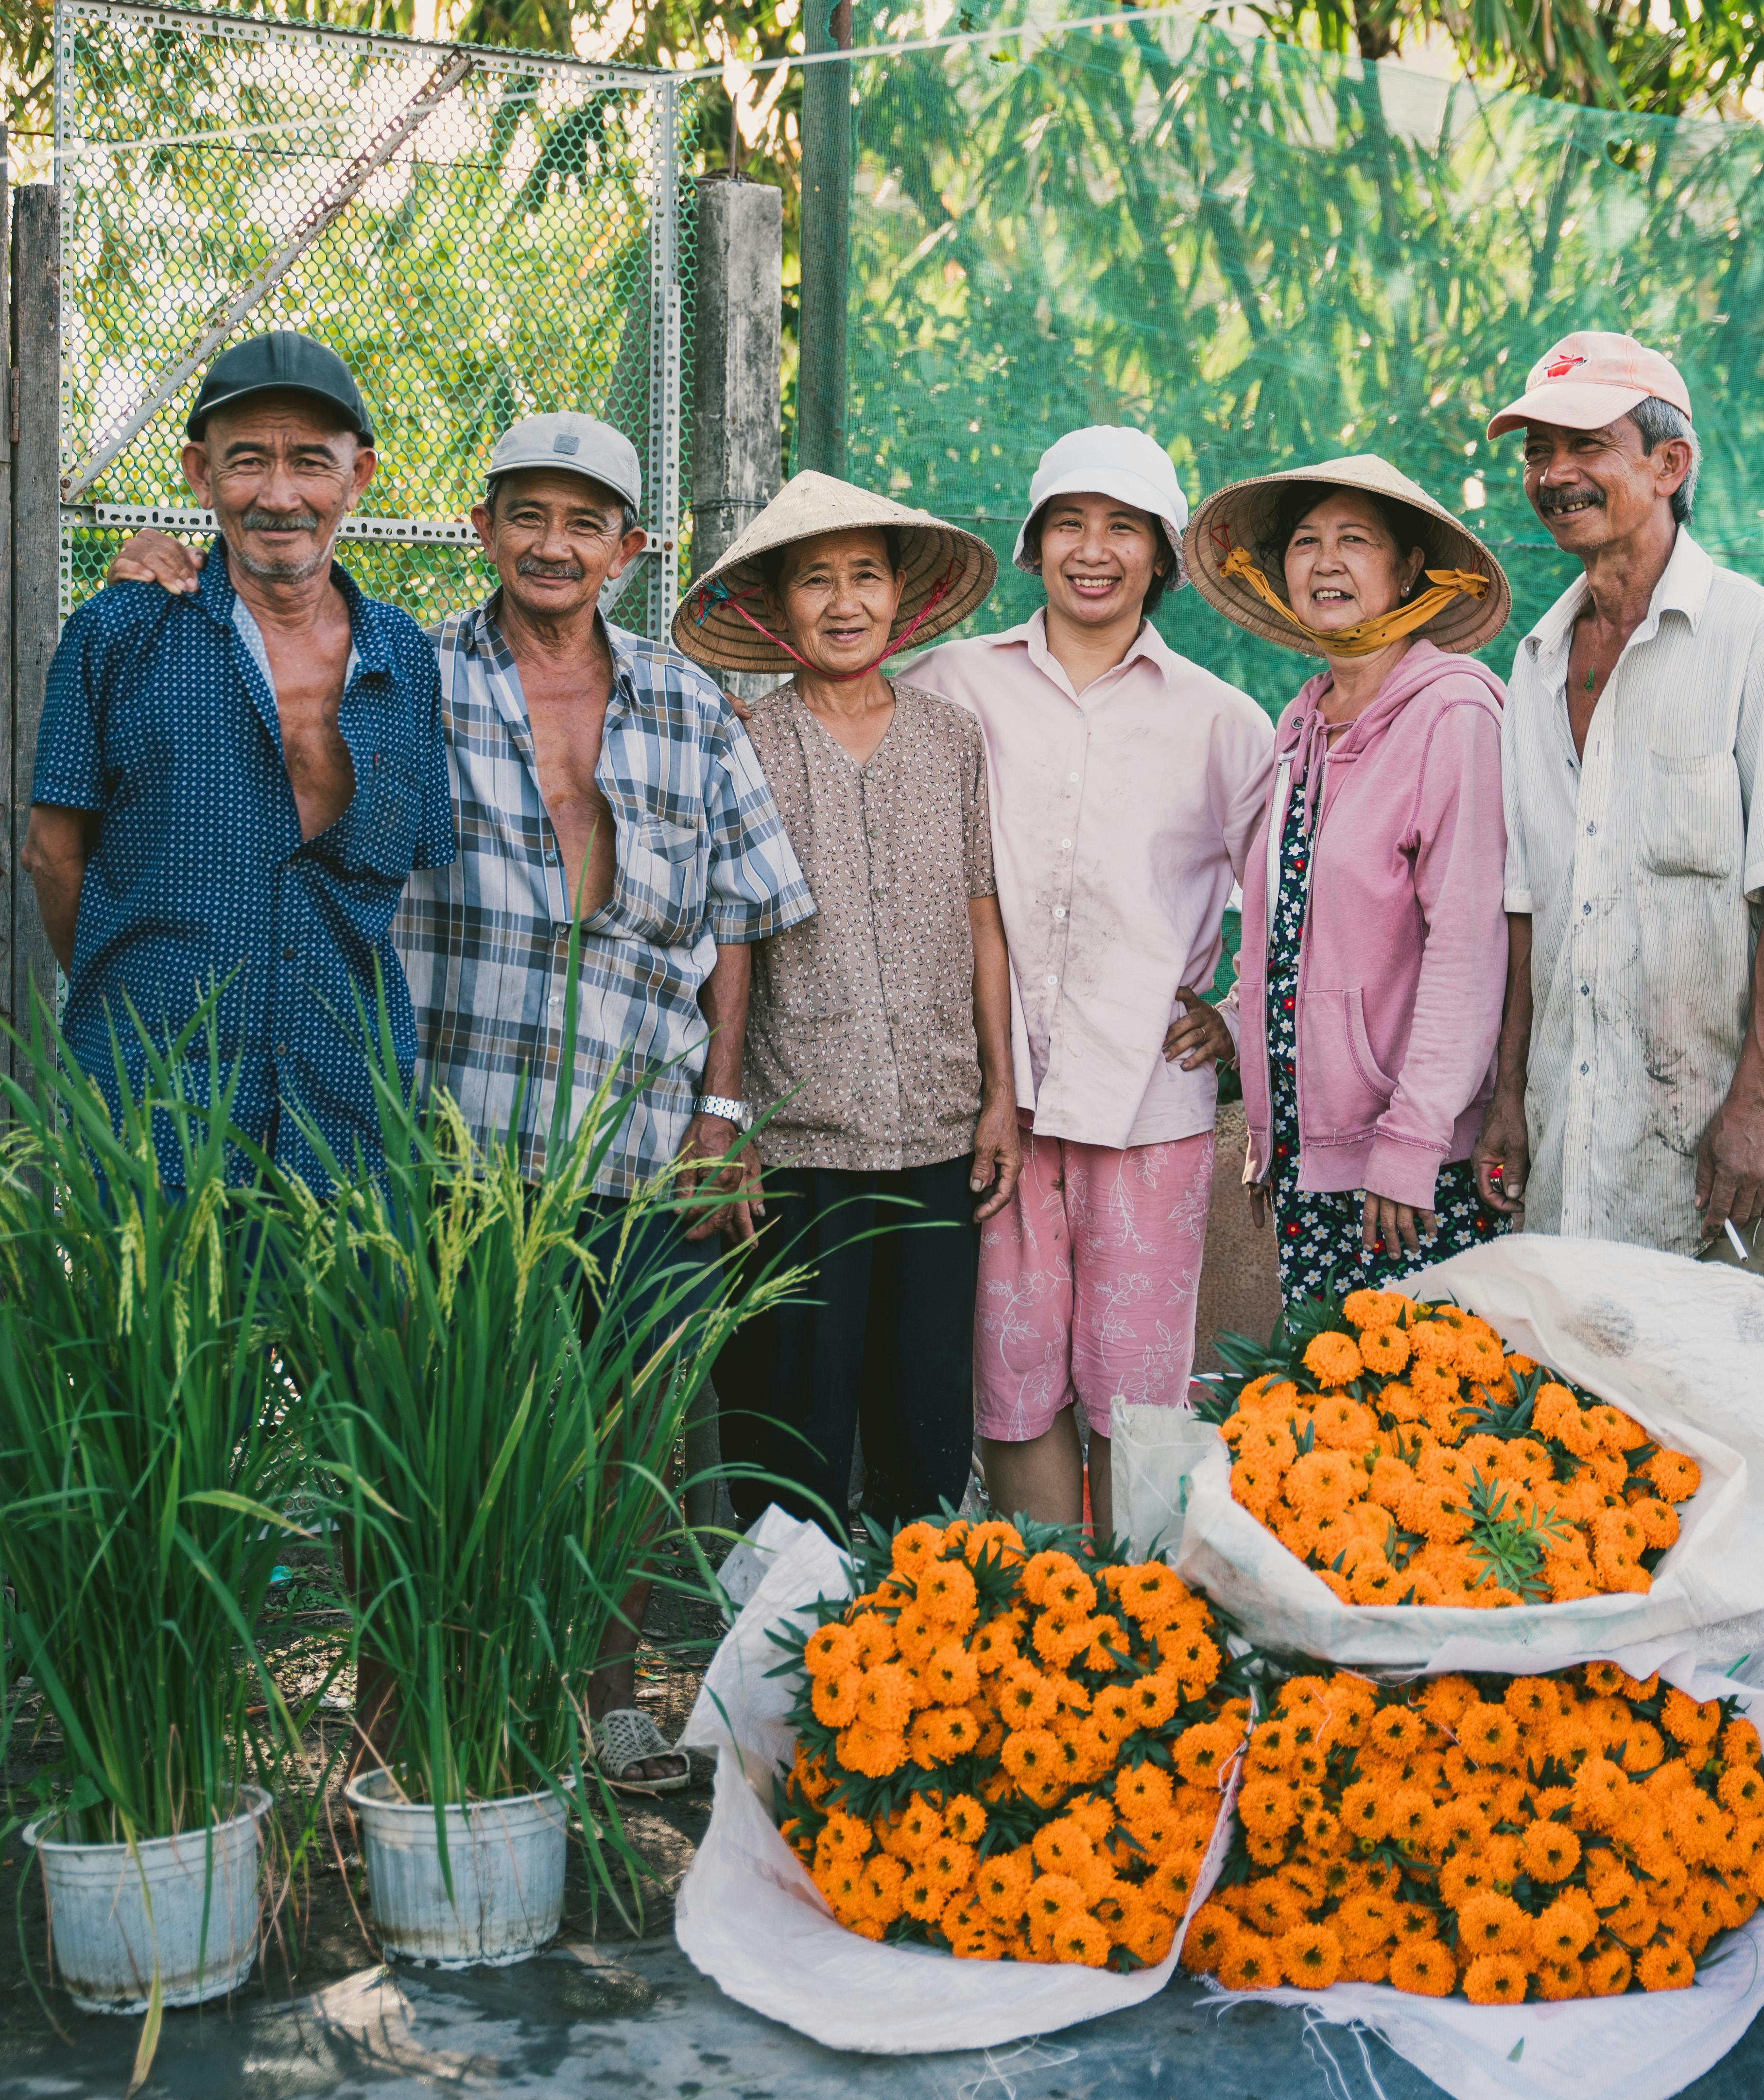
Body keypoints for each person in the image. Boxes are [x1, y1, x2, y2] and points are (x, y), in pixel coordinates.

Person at [99, 403, 817, 1789]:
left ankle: (610, 1702)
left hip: (643, 1132)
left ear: (632, 547)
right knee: (421, 1419)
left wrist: (722, 1116)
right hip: (446, 1125)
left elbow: (738, 916)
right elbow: (271, 653)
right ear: (481, 528)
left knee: (629, 1420)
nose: (552, 544)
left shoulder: (686, 701)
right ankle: (407, 1698)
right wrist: (172, 573)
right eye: (525, 515)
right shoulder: (403, 672)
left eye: (584, 521)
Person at [1472, 327, 1764, 1532]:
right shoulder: (1532, 663)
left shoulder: (1758, 640)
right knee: (1592, 1460)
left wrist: (1750, 1107)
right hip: (1575, 1127)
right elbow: (1529, 904)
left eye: (1584, 444)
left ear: (1668, 461)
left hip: (1718, 1130)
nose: (1552, 472)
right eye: (1537, 450)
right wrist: (1505, 1099)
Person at [904, 425, 1274, 1540]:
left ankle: (1128, 1640)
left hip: (1146, 1104)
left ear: (1160, 556)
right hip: (993, 1101)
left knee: (1134, 1388)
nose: (1092, 550)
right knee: (1012, 1381)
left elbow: (1283, 893)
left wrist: (1237, 1011)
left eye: (1123, 528)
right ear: (1032, 543)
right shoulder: (953, 683)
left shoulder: (1221, 721)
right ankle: (1043, 1621)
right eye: (1069, 522)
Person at [672, 470, 1020, 1538]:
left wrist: (1001, 1095)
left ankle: (909, 1673)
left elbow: (979, 916)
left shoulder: (949, 737)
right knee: (791, 1438)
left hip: (932, 1133)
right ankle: (778, 1676)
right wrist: (724, 1116)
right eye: (813, 581)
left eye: (863, 576)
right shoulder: (747, 744)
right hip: (796, 1145)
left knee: (923, 1433)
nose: (841, 602)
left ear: (897, 595)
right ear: (775, 610)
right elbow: (729, 934)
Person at [23, 331, 455, 1186]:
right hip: (155, 1097)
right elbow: (51, 854)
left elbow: (404, 881)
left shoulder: (405, 658)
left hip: (346, 1104)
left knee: (334, 1326)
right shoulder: (118, 634)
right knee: (152, 1322)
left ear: (359, 476)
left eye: (310, 462)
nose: (280, 495)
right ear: (201, 472)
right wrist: (138, 994)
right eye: (248, 460)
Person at [1171, 455, 1511, 1316]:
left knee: (1424, 1426)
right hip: (1310, 1160)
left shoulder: (1455, 714)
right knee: (1334, 1432)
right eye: (1306, 542)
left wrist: (1413, 1144)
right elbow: (1298, 922)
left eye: (1355, 541)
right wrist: (1242, 1023)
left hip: (1407, 1168)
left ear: (1406, 573)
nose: (1325, 561)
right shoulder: (1303, 719)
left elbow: (1470, 950)